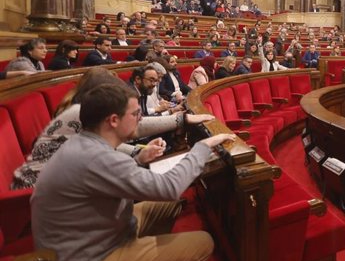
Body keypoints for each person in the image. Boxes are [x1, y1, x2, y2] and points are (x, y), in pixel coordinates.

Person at [31, 82, 233, 261]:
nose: (140, 119)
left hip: (89, 234)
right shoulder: (97, 157)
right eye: (136, 114)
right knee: (202, 244)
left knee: (169, 205)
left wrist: (138, 159)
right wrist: (202, 147)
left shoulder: (87, 141)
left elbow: (107, 179)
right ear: (114, 121)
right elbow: (169, 187)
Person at [12, 67, 214, 189]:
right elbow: (136, 127)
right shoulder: (79, 113)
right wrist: (182, 120)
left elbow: (105, 144)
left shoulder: (81, 108)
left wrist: (137, 152)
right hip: (45, 193)